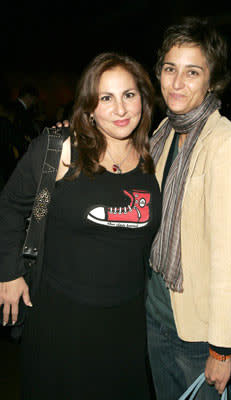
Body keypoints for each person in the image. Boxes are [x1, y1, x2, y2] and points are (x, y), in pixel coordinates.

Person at [0, 53, 161, 400]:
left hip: (127, 320)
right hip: (62, 318)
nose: (120, 109)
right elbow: (10, 206)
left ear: (143, 100)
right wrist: (9, 273)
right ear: (89, 107)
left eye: (129, 95)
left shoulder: (153, 157)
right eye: (106, 98)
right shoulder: (61, 150)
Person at [146, 17, 231, 400]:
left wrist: (223, 348)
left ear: (212, 80)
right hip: (158, 315)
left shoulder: (227, 145)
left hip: (201, 333)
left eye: (192, 72)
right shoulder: (162, 134)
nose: (176, 83)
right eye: (170, 69)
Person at [11, 84, 39, 159]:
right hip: (16, 149)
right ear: (28, 97)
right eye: (34, 99)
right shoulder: (22, 111)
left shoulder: (11, 106)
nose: (34, 102)